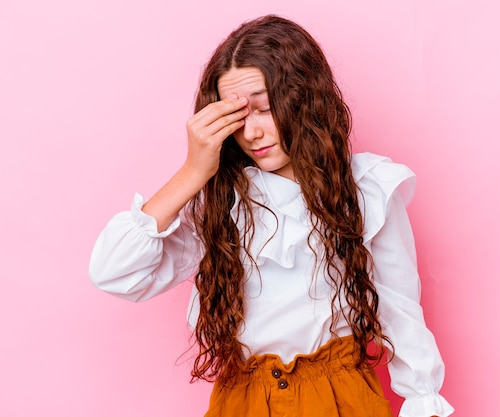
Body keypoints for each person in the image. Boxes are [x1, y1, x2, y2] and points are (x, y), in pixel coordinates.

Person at [89, 15, 453, 417]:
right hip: (242, 401)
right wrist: (193, 171)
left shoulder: (366, 188)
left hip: (339, 398)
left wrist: (423, 400)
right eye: (236, 118)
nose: (252, 134)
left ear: (302, 97)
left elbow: (400, 310)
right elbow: (114, 273)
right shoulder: (220, 202)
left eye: (264, 109)